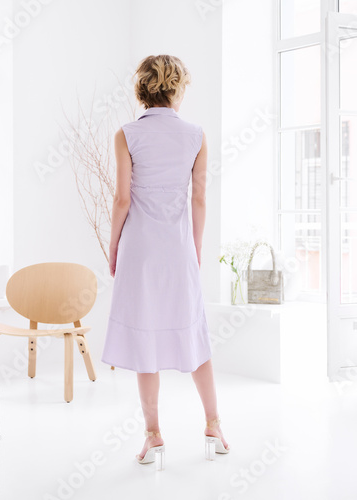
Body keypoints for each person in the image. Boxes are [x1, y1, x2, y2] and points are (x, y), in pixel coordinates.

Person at [101, 54, 229, 465]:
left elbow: (122, 199)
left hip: (139, 251)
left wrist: (113, 243)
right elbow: (200, 198)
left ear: (142, 90)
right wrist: (195, 247)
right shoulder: (196, 135)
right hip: (178, 249)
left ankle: (153, 434)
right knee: (196, 335)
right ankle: (213, 425)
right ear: (176, 88)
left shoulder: (126, 135)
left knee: (144, 339)